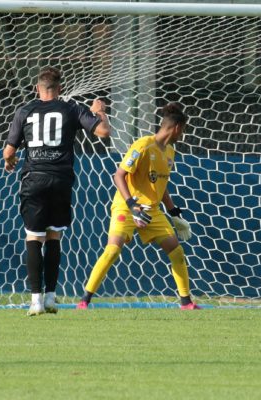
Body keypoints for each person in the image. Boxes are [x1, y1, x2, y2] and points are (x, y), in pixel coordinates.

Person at [4, 66, 111, 316]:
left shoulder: (25, 110)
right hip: (61, 180)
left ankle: (35, 301)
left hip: (34, 179)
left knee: (33, 237)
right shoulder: (72, 109)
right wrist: (100, 112)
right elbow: (104, 132)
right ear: (60, 88)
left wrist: (10, 161)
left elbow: (9, 151)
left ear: (36, 89)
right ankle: (51, 297)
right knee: (54, 237)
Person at [76, 102, 200, 310]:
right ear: (177, 128)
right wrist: (132, 206)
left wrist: (174, 213)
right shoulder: (143, 145)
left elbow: (161, 184)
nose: (182, 134)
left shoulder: (170, 152)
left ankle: (186, 303)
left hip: (151, 210)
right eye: (183, 130)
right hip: (127, 206)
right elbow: (119, 176)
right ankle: (84, 300)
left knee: (176, 252)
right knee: (113, 250)